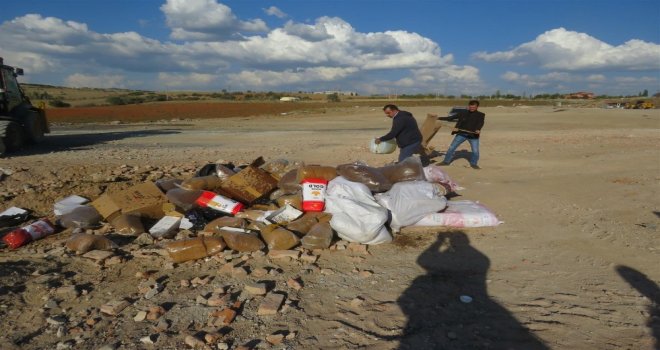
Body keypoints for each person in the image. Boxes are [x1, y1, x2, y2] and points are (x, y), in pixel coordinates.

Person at [439, 100, 485, 169]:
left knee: (475, 151)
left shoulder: (481, 115)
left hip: (473, 136)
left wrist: (478, 129)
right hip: (461, 134)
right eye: (470, 107)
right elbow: (450, 118)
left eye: (473, 107)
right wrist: (438, 118)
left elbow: (481, 123)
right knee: (452, 148)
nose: (472, 108)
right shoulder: (463, 113)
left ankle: (473, 163)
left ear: (477, 107)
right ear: (468, 106)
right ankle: (446, 161)